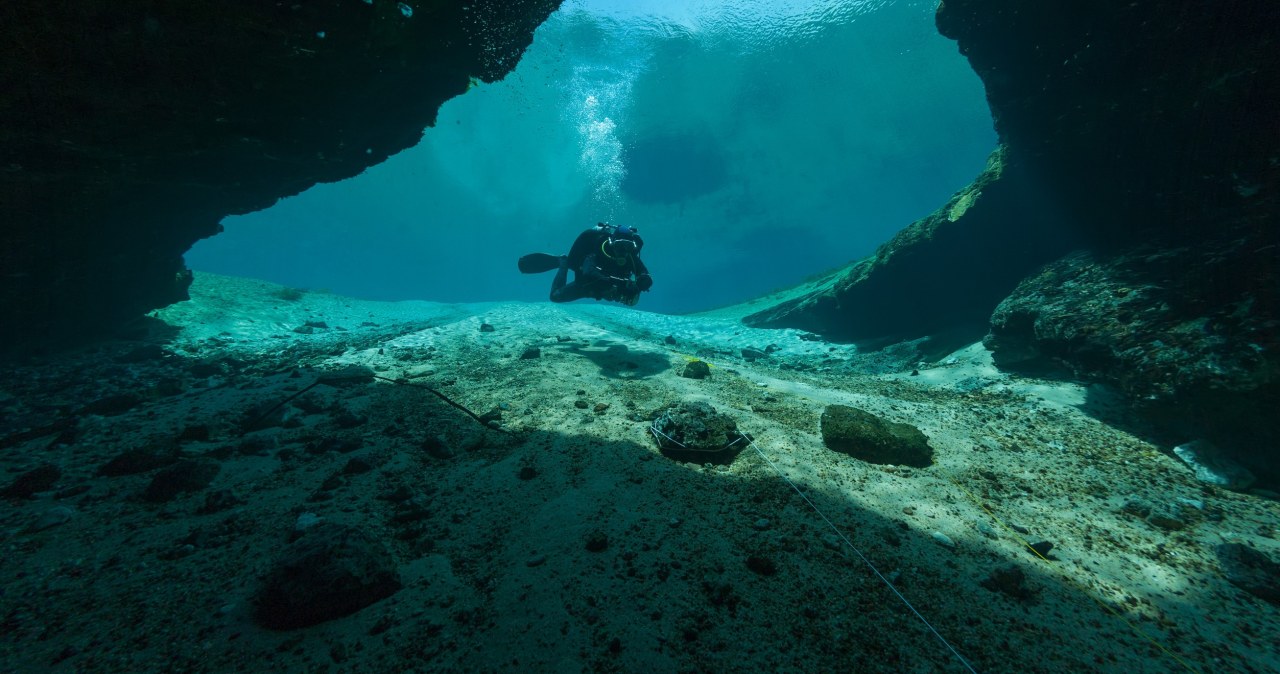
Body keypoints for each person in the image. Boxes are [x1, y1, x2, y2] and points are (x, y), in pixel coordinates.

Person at [518, 222, 653, 306]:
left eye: (628, 247)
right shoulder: (598, 248)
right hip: (589, 286)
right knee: (555, 297)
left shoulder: (630, 256)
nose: (623, 251)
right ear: (612, 243)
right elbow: (588, 272)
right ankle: (563, 263)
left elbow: (644, 274)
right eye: (620, 246)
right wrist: (617, 284)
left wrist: (641, 283)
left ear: (633, 247)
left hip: (605, 289)